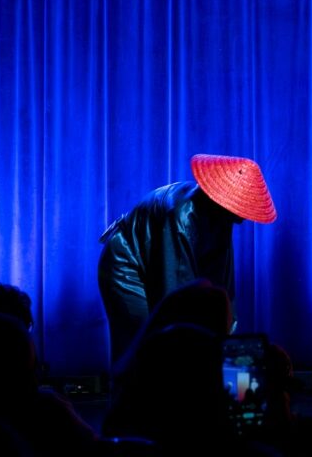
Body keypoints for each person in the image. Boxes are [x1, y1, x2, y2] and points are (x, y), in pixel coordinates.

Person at [98, 154, 276, 366]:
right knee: (146, 340)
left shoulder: (222, 218)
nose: (244, 217)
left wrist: (226, 339)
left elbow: (222, 287)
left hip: (158, 261)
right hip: (127, 265)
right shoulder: (181, 217)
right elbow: (176, 292)